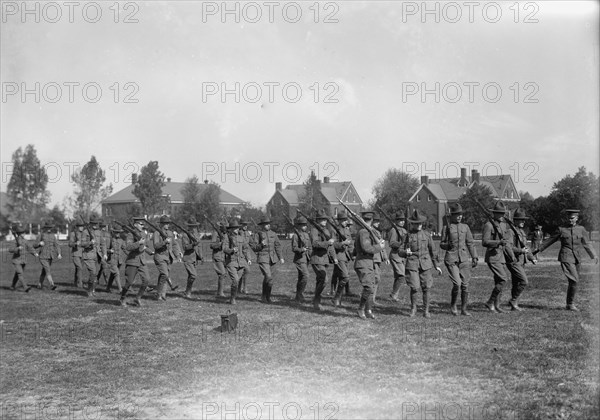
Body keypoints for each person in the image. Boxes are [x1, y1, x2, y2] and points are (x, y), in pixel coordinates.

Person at [534, 209, 598, 311]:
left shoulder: (581, 229)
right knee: (574, 279)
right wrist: (538, 249)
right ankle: (571, 304)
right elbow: (550, 240)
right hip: (566, 257)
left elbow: (587, 243)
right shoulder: (561, 229)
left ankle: (569, 304)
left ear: (577, 218)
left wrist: (593, 255)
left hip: (577, 258)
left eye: (572, 218)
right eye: (568, 217)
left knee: (574, 281)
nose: (569, 220)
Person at [400, 210, 442, 318]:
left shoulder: (427, 235)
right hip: (412, 263)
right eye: (416, 223)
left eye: (420, 223)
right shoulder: (407, 235)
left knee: (426, 287)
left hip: (425, 263)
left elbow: (433, 251)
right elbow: (400, 250)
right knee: (414, 287)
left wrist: (436, 265)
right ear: (412, 224)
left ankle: (426, 310)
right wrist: (405, 252)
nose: (418, 225)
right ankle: (413, 308)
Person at [440, 203, 478, 316]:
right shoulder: (446, 227)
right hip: (451, 259)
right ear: (452, 215)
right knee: (457, 283)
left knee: (465, 284)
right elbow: (442, 244)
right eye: (457, 214)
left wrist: (474, 256)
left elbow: (470, 243)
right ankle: (453, 305)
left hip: (463, 259)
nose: (459, 216)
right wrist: (448, 245)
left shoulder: (465, 227)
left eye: (460, 214)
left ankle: (464, 309)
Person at [482, 202, 515, 313]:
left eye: (503, 213)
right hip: (492, 256)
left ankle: (497, 306)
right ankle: (490, 302)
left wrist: (511, 256)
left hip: (501, 257)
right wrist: (498, 242)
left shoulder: (503, 225)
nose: (501, 215)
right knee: (503, 279)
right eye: (499, 213)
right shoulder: (489, 225)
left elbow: (506, 242)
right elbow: (485, 242)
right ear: (494, 214)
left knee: (498, 281)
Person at [354, 210, 386, 319]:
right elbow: (366, 248)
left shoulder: (367, 231)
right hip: (363, 262)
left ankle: (369, 310)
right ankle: (360, 309)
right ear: (371, 220)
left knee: (371, 287)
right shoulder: (364, 232)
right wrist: (379, 247)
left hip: (368, 262)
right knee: (368, 287)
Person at [505, 209, 537, 311]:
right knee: (524, 281)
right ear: (515, 221)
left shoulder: (522, 232)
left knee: (516, 283)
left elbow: (526, 247)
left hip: (521, 261)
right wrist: (520, 251)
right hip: (514, 261)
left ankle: (514, 305)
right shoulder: (510, 232)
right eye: (520, 220)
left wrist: (532, 258)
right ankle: (513, 300)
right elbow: (508, 247)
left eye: (524, 220)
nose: (523, 222)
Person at [119, 217, 152, 307]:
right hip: (132, 261)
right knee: (129, 282)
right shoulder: (130, 234)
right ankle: (122, 298)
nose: (142, 226)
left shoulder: (143, 234)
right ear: (135, 225)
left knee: (147, 280)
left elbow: (144, 247)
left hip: (142, 261)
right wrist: (138, 243)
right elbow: (128, 247)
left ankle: (138, 298)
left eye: (143, 224)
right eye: (141, 224)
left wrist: (150, 252)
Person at [250, 216, 284, 303]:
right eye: (266, 224)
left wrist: (281, 257)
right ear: (262, 225)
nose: (268, 225)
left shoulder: (273, 234)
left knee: (270, 279)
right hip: (263, 258)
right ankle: (264, 296)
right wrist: (261, 244)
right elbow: (254, 247)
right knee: (268, 276)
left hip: (272, 259)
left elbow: (278, 246)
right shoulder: (258, 234)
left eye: (269, 224)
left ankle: (266, 297)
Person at [309, 210, 336, 311]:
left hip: (324, 259)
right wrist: (327, 243)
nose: (325, 221)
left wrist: (334, 257)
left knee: (320, 281)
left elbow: (331, 245)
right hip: (316, 259)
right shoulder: (314, 230)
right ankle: (316, 299)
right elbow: (315, 243)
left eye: (325, 219)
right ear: (318, 220)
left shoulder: (326, 231)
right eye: (322, 219)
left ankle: (316, 303)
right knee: (324, 280)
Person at [222, 219, 251, 304]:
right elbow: (224, 249)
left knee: (237, 281)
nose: (237, 229)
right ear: (230, 229)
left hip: (241, 262)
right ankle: (232, 299)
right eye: (235, 228)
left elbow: (245, 249)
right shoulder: (226, 237)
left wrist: (248, 258)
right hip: (231, 262)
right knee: (235, 280)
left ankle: (233, 297)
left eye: (237, 228)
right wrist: (232, 250)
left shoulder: (241, 237)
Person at [152, 215, 178, 301]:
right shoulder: (157, 233)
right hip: (159, 256)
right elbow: (155, 246)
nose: (168, 225)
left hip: (168, 257)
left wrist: (177, 254)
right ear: (162, 224)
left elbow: (174, 244)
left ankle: (163, 295)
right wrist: (164, 242)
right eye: (166, 223)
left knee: (164, 275)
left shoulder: (170, 233)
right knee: (165, 274)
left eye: (168, 223)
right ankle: (158, 294)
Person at [331, 211, 354, 307]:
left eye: (346, 220)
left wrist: (352, 253)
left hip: (346, 256)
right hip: (339, 256)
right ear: (339, 221)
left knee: (342, 277)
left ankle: (338, 300)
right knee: (345, 277)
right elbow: (333, 244)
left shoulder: (347, 230)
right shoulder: (335, 230)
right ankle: (336, 298)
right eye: (343, 220)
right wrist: (342, 244)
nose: (345, 221)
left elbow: (350, 242)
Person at [9, 225, 38, 292]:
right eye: (23, 233)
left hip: (23, 260)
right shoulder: (15, 241)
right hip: (16, 260)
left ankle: (12, 286)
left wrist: (34, 253)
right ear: (19, 233)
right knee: (20, 273)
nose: (24, 234)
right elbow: (10, 249)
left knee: (17, 274)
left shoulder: (25, 241)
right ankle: (25, 287)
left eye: (24, 232)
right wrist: (17, 248)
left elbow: (30, 248)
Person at [181, 217, 204, 299]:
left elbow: (199, 246)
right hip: (188, 258)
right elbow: (185, 247)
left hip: (194, 259)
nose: (194, 228)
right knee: (193, 275)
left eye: (195, 226)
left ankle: (187, 292)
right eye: (192, 226)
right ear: (189, 227)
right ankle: (188, 292)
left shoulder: (196, 235)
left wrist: (201, 256)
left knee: (191, 276)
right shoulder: (185, 235)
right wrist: (193, 244)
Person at [36, 221, 62, 290]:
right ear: (45, 228)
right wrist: (39, 244)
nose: (49, 229)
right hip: (43, 256)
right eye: (48, 228)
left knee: (44, 271)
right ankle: (52, 284)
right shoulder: (41, 235)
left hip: (50, 256)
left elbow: (56, 245)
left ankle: (39, 284)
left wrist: (59, 253)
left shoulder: (53, 235)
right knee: (48, 270)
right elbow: (34, 245)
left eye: (50, 228)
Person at [291, 215, 312, 303]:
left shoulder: (307, 235)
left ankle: (297, 297)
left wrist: (310, 255)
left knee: (301, 277)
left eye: (305, 225)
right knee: (306, 276)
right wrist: (301, 250)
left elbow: (310, 246)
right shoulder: (295, 236)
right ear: (299, 226)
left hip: (306, 259)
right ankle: (300, 294)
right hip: (299, 259)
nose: (305, 226)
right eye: (303, 225)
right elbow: (294, 248)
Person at [388, 211, 407, 302]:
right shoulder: (394, 230)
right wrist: (400, 242)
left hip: (402, 256)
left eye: (403, 220)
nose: (402, 222)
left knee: (399, 277)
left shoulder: (404, 230)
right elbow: (391, 243)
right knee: (401, 276)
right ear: (396, 221)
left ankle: (394, 295)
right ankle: (394, 295)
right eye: (400, 220)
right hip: (395, 256)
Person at [371, 213, 389, 306]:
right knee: (375, 278)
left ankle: (372, 298)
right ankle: (370, 299)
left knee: (377, 279)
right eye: (376, 221)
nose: (378, 223)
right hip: (373, 257)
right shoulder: (370, 231)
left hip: (378, 258)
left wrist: (385, 257)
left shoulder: (377, 232)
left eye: (378, 221)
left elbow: (382, 246)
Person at [106, 226, 126, 293]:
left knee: (113, 274)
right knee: (116, 273)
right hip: (112, 260)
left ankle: (108, 288)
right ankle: (120, 290)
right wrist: (109, 251)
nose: (117, 234)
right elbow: (104, 249)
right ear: (113, 232)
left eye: (119, 233)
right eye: (116, 232)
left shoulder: (121, 240)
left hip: (119, 261)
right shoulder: (110, 239)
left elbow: (125, 249)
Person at [210, 223, 227, 298]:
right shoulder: (215, 233)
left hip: (224, 256)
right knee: (222, 273)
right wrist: (220, 244)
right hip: (217, 256)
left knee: (223, 274)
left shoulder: (226, 234)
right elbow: (212, 245)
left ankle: (220, 291)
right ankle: (220, 293)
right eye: (225, 226)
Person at [238, 219, 253, 294]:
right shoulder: (237, 233)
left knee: (246, 271)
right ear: (240, 225)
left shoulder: (247, 233)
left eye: (246, 225)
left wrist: (249, 258)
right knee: (241, 272)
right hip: (238, 254)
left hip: (245, 255)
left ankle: (243, 288)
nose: (245, 226)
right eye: (244, 225)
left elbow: (251, 244)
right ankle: (239, 289)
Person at [68, 220, 85, 288]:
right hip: (75, 254)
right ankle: (80, 284)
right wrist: (75, 243)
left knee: (78, 269)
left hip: (83, 253)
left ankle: (75, 282)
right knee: (79, 268)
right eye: (80, 226)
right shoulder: (73, 234)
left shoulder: (84, 233)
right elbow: (70, 244)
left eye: (82, 226)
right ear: (77, 227)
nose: (81, 227)